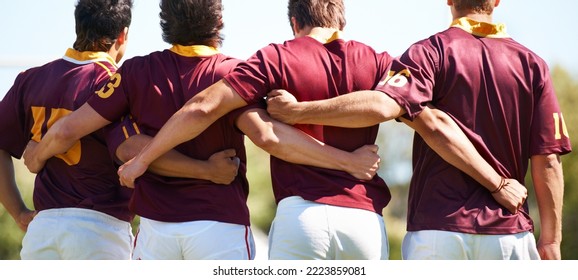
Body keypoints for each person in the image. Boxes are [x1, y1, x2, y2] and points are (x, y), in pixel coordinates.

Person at [112, 0, 527, 260]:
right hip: (363, 220)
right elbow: (434, 123)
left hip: (300, 216)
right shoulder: (380, 62)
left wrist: (142, 160)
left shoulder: (275, 58)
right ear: (341, 16)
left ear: (295, 20)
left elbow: (205, 107)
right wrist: (496, 182)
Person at [23, 0, 381, 260]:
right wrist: (347, 160)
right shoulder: (233, 71)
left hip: (155, 232)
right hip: (219, 227)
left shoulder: (134, 72)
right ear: (220, 18)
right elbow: (267, 136)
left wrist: (37, 155)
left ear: (164, 19)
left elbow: (90, 135)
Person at [266, 0, 572, 260]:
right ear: (497, 1)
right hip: (510, 234)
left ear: (449, 0)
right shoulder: (533, 65)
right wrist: (551, 240)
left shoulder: (428, 52)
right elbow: (548, 160)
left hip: (437, 229)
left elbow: (395, 108)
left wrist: (297, 112)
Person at [0, 0, 134, 260]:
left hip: (42, 231)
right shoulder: (116, 82)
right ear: (122, 34)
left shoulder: (31, 78)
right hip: (100, 230)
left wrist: (17, 212)